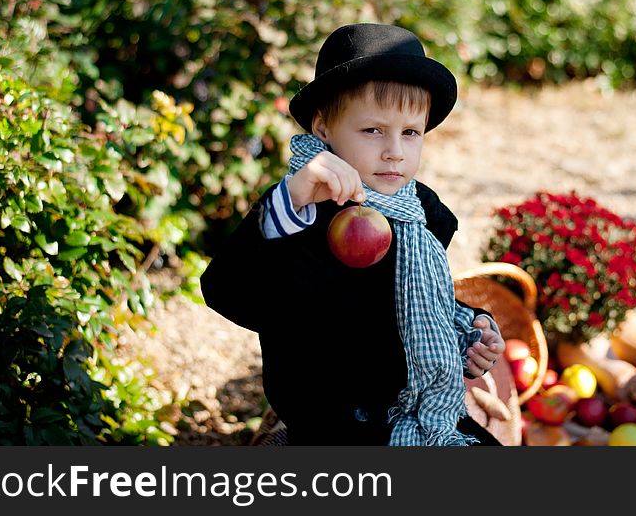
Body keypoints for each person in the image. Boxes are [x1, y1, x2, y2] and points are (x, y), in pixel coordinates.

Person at [200, 23, 504, 445]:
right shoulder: (303, 211)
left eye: (410, 132)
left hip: (416, 416)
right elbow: (228, 291)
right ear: (323, 128)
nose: (395, 150)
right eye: (373, 130)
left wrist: (468, 327)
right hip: (332, 428)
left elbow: (410, 302)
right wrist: (289, 202)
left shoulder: (419, 215)